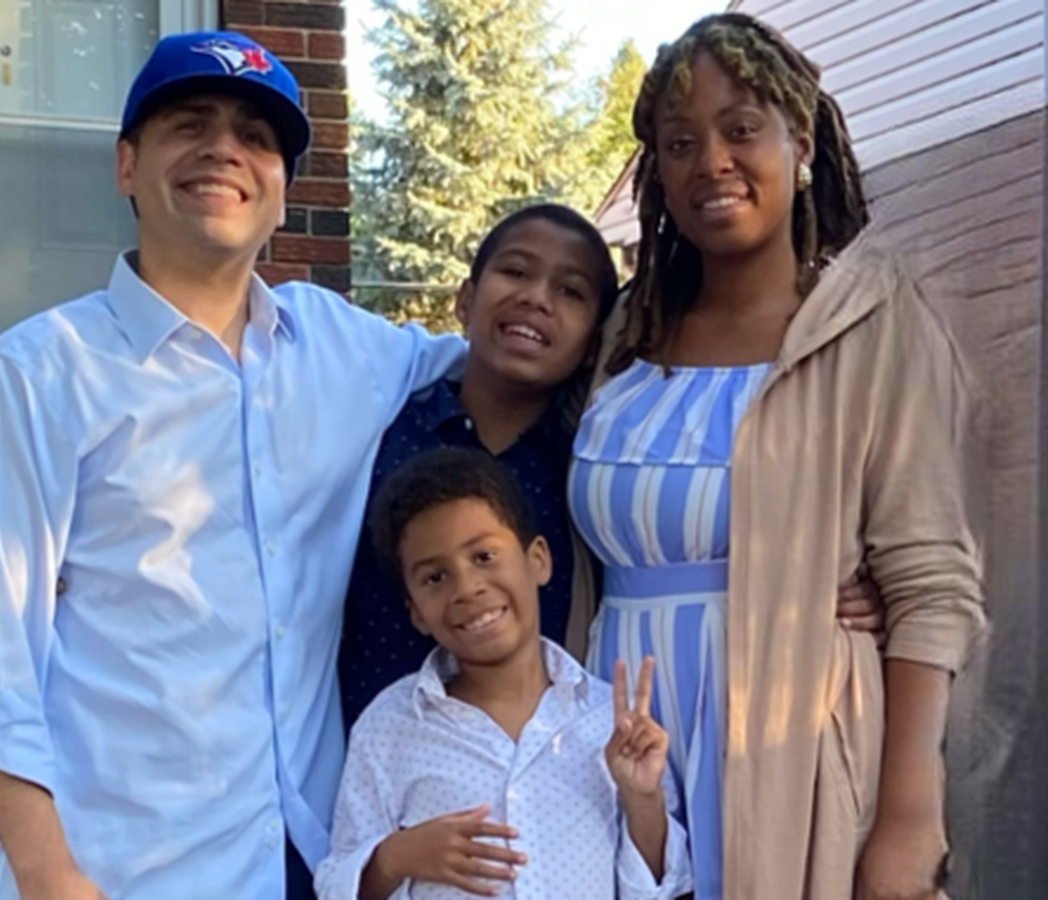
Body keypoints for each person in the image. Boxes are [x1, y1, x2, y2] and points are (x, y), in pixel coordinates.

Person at [0, 31, 462, 900]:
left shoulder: (344, 350)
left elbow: (513, 354)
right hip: (116, 868)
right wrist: (51, 876)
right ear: (126, 166)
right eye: (190, 124)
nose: (223, 150)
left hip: (301, 859)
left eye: (255, 136)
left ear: (283, 191)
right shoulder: (41, 375)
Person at [572, 13, 986, 900]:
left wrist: (910, 817)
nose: (711, 161)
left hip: (787, 748)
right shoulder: (627, 331)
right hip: (616, 738)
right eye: (680, 143)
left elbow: (929, 584)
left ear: (800, 141)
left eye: (741, 129)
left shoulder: (869, 323)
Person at [337, 204, 885, 733]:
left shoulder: (594, 471)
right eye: (516, 272)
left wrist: (825, 583)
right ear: (465, 299)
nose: (536, 298)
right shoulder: (378, 429)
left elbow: (687, 538)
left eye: (571, 292)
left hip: (546, 764)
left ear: (593, 342)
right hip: (381, 756)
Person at [316, 447, 694, 899]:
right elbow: (337, 885)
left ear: (538, 560)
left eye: (484, 556)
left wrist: (642, 800)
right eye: (435, 577)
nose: (467, 588)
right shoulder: (390, 727)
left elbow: (660, 890)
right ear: (415, 612)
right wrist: (394, 857)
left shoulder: (608, 722)